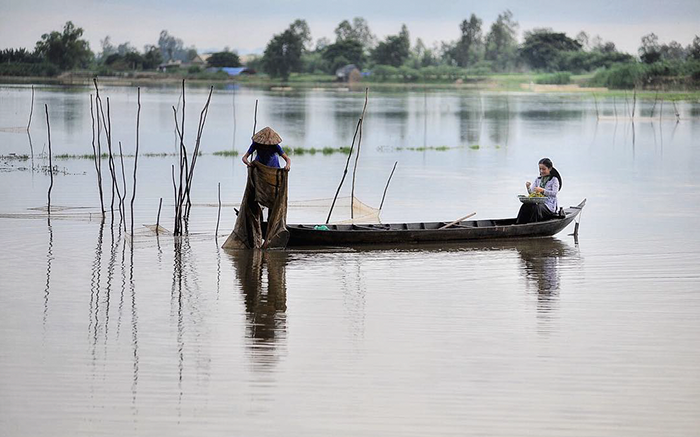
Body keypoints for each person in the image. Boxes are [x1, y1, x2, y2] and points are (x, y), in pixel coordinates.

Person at [516, 158, 563, 224]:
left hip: (549, 206)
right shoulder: (538, 179)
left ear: (549, 169)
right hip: (539, 203)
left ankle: (533, 226)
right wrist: (528, 187)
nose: (541, 171)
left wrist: (543, 190)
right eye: (540, 169)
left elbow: (554, 193)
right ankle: (519, 224)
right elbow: (532, 194)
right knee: (525, 205)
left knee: (536, 208)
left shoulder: (554, 180)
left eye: (543, 169)